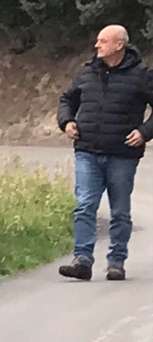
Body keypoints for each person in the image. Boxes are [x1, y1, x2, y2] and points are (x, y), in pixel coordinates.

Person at [56, 24, 153, 281]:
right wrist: (67, 121)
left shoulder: (141, 75)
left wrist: (145, 132)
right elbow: (67, 99)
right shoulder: (87, 71)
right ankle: (82, 260)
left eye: (102, 41)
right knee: (84, 205)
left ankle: (116, 262)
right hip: (87, 150)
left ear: (119, 45)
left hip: (123, 154)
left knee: (119, 211)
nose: (96, 45)